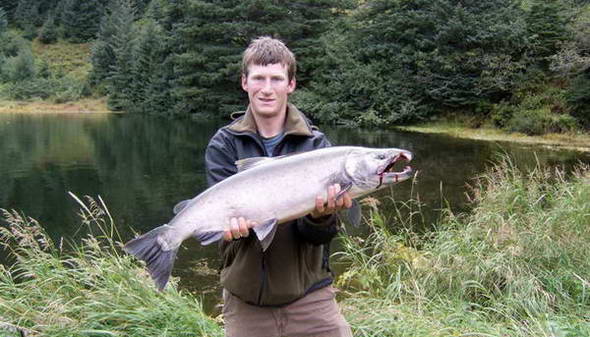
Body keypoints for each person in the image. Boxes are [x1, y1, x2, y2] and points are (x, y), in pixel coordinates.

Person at [205, 37, 354, 337]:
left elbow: (321, 237)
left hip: (311, 298)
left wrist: (321, 216)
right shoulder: (223, 144)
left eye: (276, 78)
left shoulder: (317, 146)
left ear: (291, 85)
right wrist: (232, 228)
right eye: (259, 78)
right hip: (246, 302)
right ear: (245, 82)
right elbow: (228, 235)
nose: (267, 88)